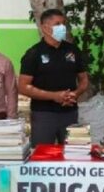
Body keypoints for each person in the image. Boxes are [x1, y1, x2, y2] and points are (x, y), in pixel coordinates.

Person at [18, 8, 88, 146]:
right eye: (57, 24)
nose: (62, 28)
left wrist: (75, 94)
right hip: (44, 114)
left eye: (63, 24)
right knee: (42, 155)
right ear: (45, 28)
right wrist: (54, 96)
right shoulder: (34, 53)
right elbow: (23, 86)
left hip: (70, 113)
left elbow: (84, 80)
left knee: (73, 154)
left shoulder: (72, 50)